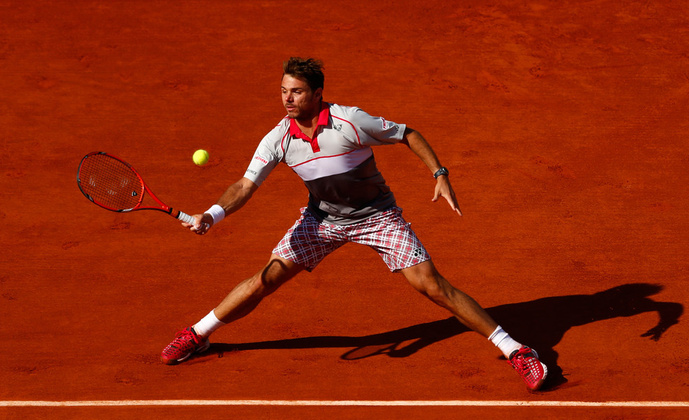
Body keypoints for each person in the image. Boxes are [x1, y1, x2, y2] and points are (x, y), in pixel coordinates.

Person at [161, 57, 548, 391]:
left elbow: (407, 134)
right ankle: (197, 335)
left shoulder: (351, 120)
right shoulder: (278, 138)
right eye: (283, 91)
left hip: (376, 216)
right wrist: (212, 214)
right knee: (266, 278)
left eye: (295, 92)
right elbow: (246, 185)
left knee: (432, 286)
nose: (287, 99)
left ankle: (516, 350)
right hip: (323, 219)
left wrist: (439, 173)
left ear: (317, 93)